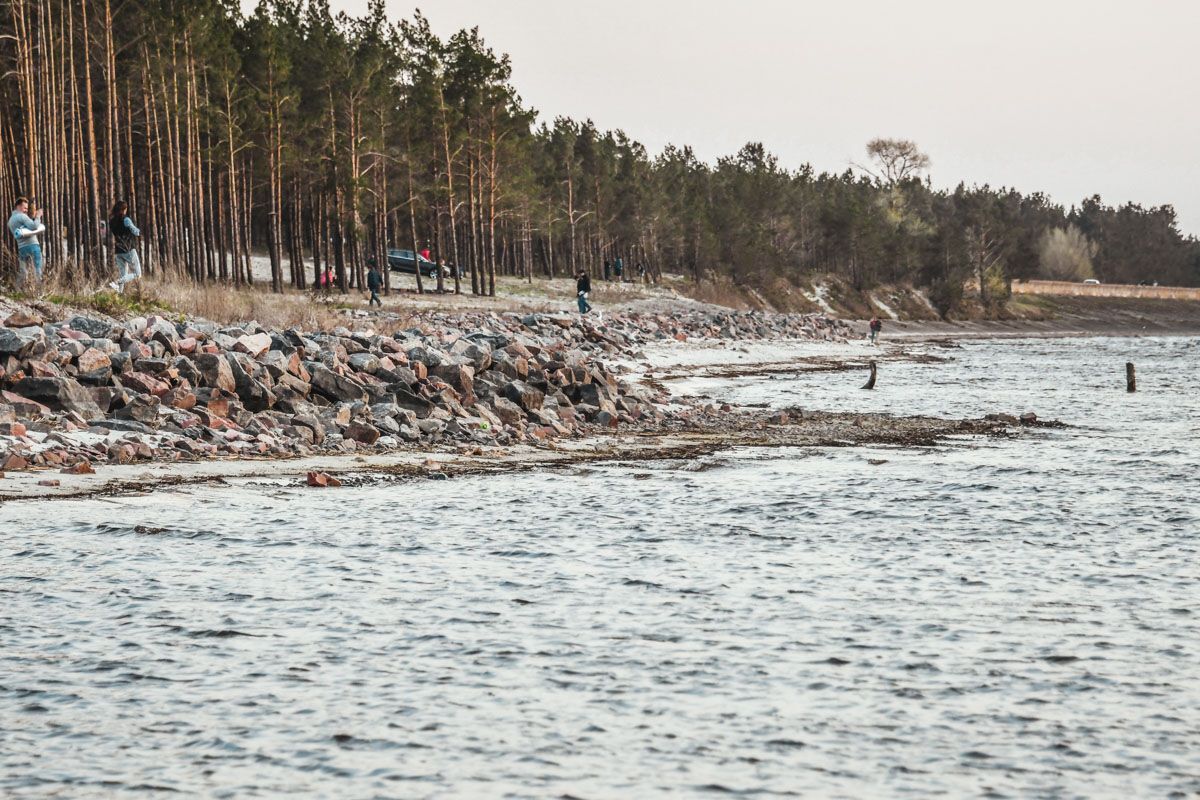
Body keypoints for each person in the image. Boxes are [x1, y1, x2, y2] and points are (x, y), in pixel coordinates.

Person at [7, 197, 45, 290]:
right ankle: (39, 291)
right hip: (33, 246)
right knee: (38, 269)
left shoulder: (10, 220)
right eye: (24, 208)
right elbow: (34, 226)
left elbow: (23, 229)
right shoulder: (22, 216)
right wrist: (38, 216)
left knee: (23, 272)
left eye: (27, 208)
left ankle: (17, 290)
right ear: (18, 206)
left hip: (21, 248)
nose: (26, 210)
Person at [105, 200, 142, 294]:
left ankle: (119, 294)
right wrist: (138, 230)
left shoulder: (112, 221)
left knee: (123, 273)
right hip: (128, 249)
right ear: (124, 209)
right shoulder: (126, 219)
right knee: (137, 274)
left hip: (118, 250)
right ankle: (117, 282)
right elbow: (135, 232)